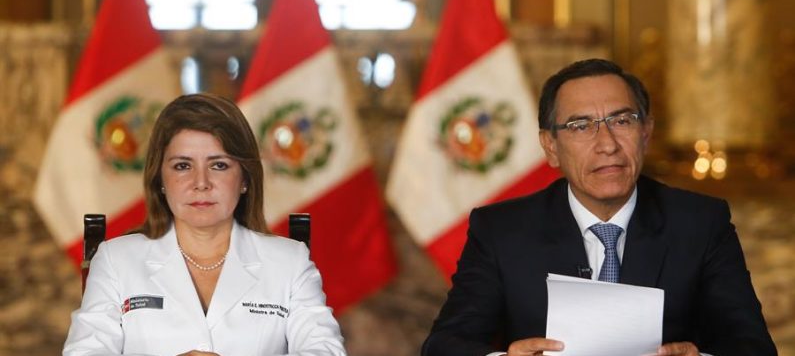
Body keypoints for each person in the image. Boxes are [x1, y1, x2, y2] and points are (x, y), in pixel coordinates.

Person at [422, 59, 776, 356]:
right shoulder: (501, 231)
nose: (607, 144)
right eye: (580, 126)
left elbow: (753, 347)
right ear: (550, 147)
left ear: (646, 133)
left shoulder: (701, 224)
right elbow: (443, 347)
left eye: (622, 121)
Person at [63, 93, 346, 356]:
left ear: (245, 178)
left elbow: (325, 351)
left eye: (219, 165)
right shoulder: (117, 260)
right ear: (160, 179)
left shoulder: (289, 262)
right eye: (183, 166)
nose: (201, 183)